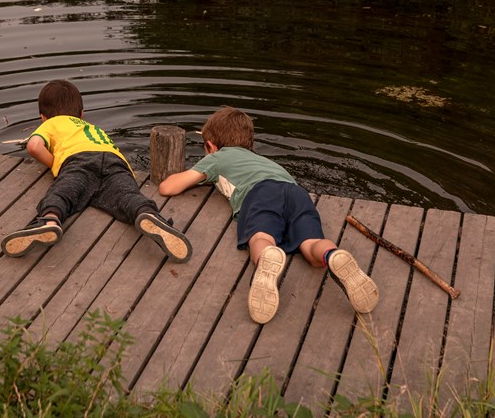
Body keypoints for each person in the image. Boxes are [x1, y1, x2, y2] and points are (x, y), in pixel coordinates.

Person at [158, 106, 378, 324]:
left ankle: (267, 256)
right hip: (295, 193)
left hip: (261, 193)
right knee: (311, 243)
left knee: (261, 236)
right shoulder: (264, 161)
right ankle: (332, 255)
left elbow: (169, 187)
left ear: (210, 146)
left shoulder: (218, 157)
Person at [1, 79, 192, 263]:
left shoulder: (51, 123)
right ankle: (150, 214)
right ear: (82, 114)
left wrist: (55, 163)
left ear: (43, 117)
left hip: (79, 161)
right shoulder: (94, 129)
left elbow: (34, 146)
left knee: (62, 194)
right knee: (128, 196)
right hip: (115, 162)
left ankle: (49, 221)